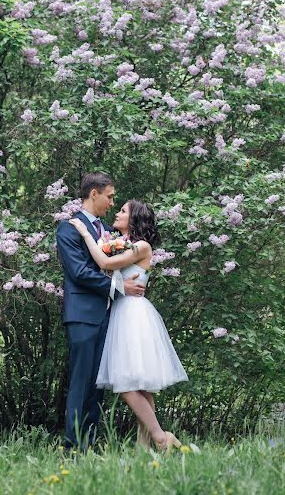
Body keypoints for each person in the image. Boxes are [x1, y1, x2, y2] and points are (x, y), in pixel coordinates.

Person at [69, 199, 189, 452]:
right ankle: (144, 446)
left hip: (133, 315)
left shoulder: (141, 246)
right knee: (140, 386)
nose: (117, 212)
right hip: (121, 312)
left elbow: (104, 263)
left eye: (122, 211)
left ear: (134, 219)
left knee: (126, 384)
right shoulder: (123, 245)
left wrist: (83, 232)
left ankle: (159, 437)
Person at [56, 172, 145, 450]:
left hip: (108, 316)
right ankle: (72, 449)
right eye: (109, 196)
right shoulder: (69, 229)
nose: (111, 202)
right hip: (82, 315)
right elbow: (80, 272)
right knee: (81, 383)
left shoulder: (106, 231)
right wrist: (120, 288)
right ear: (93, 194)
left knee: (96, 387)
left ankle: (89, 444)